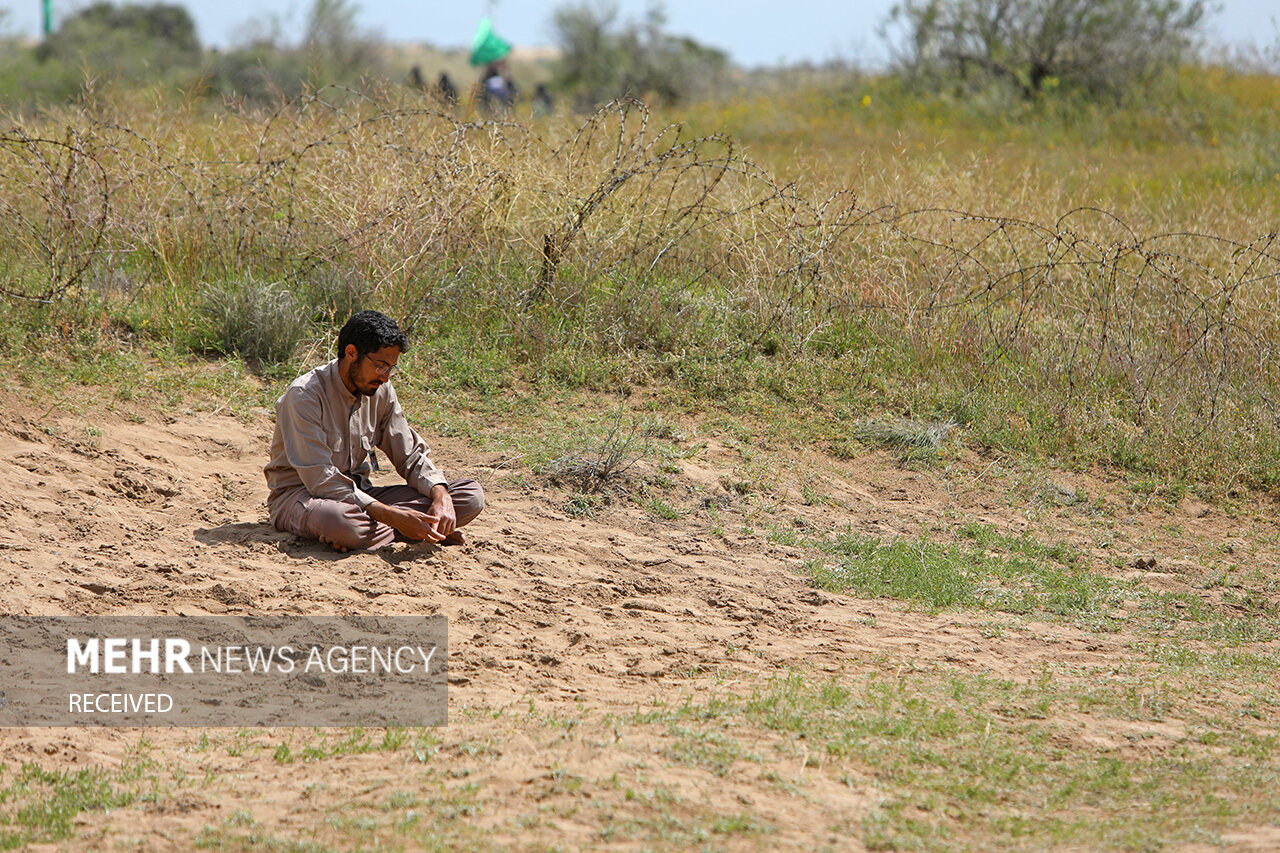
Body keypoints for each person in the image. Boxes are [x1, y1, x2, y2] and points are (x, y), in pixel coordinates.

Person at [264, 310, 484, 552]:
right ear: (351, 353)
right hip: (302, 496)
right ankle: (410, 532)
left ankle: (405, 531)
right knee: (341, 522)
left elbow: (410, 456)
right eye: (380, 366)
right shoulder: (304, 396)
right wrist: (393, 516)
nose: (386, 377)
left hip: (361, 496)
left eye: (391, 368)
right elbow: (321, 479)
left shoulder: (381, 391)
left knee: (469, 496)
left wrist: (441, 497)